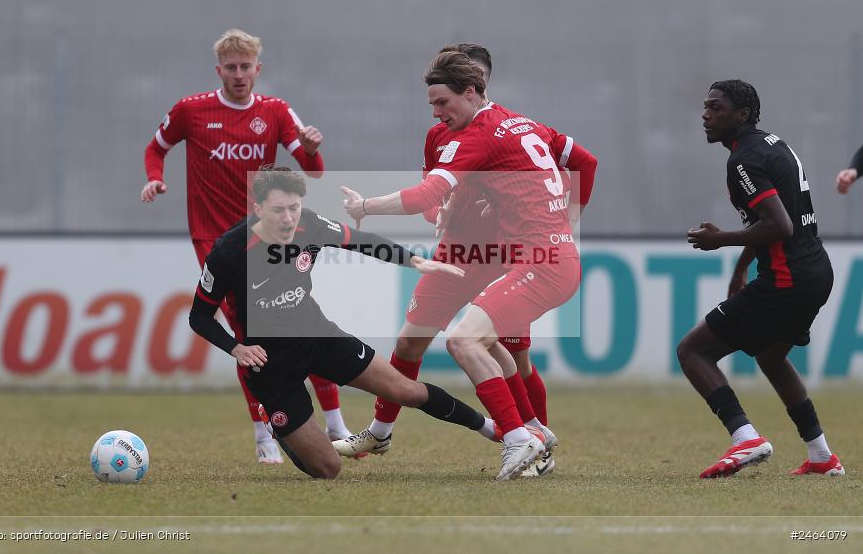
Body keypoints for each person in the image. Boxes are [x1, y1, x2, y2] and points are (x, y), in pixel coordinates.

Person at [333, 44, 597, 479]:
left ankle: (526, 436)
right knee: (426, 342)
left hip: (516, 258)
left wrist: (365, 206)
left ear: (474, 89)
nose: (437, 113)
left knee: (482, 346)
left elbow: (424, 193)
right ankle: (386, 432)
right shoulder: (508, 124)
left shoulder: (481, 133)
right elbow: (434, 200)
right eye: (432, 105)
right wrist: (449, 211)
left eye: (443, 102)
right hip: (471, 255)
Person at [188, 166, 502, 480]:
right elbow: (199, 317)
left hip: (318, 337)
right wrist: (236, 348)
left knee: (406, 391)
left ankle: (491, 428)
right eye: (278, 210)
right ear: (258, 209)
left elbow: (360, 241)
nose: (288, 218)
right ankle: (273, 420)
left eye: (294, 208)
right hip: (271, 364)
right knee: (328, 469)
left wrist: (414, 260)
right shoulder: (229, 250)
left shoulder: (309, 223)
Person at [140, 28, 352, 465]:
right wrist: (154, 178)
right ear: (218, 71)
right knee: (248, 336)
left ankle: (335, 424)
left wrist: (311, 150)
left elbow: (313, 170)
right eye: (231, 67)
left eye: (245, 67)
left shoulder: (275, 111)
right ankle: (263, 433)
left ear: (258, 69)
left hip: (268, 234)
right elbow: (155, 148)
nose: (238, 74)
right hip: (216, 241)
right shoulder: (191, 110)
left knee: (298, 318)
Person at [680, 79, 844, 478]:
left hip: (788, 279)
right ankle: (821, 455)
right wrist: (741, 268)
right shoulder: (770, 144)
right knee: (770, 355)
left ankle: (745, 437)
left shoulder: (744, 160)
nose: (705, 114)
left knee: (693, 351)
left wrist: (720, 240)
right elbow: (770, 220)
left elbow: (779, 226)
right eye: (706, 106)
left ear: (743, 115)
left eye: (716, 107)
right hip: (815, 271)